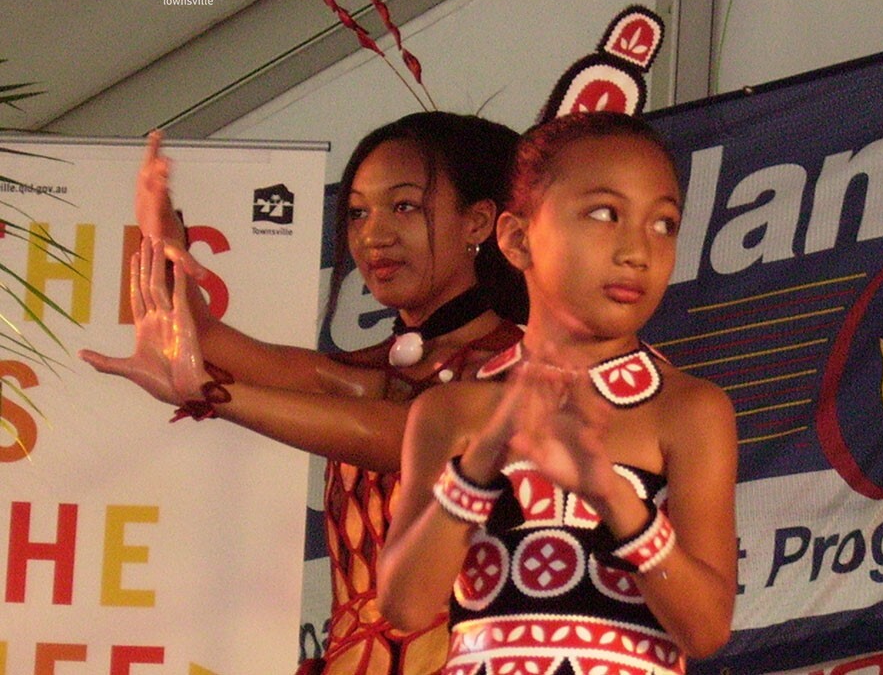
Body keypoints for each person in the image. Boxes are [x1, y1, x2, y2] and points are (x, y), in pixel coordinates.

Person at [79, 111, 528, 675]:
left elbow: (404, 435)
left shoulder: (523, 366)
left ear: (479, 223)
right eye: (358, 212)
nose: (374, 234)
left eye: (404, 206)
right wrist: (163, 241)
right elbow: (209, 341)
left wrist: (213, 393)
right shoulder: (367, 373)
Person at [376, 111, 738, 675]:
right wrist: (480, 463)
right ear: (518, 239)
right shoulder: (452, 409)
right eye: (603, 214)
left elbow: (707, 629)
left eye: (663, 224)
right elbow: (404, 605)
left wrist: (610, 494)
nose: (637, 251)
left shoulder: (690, 409)